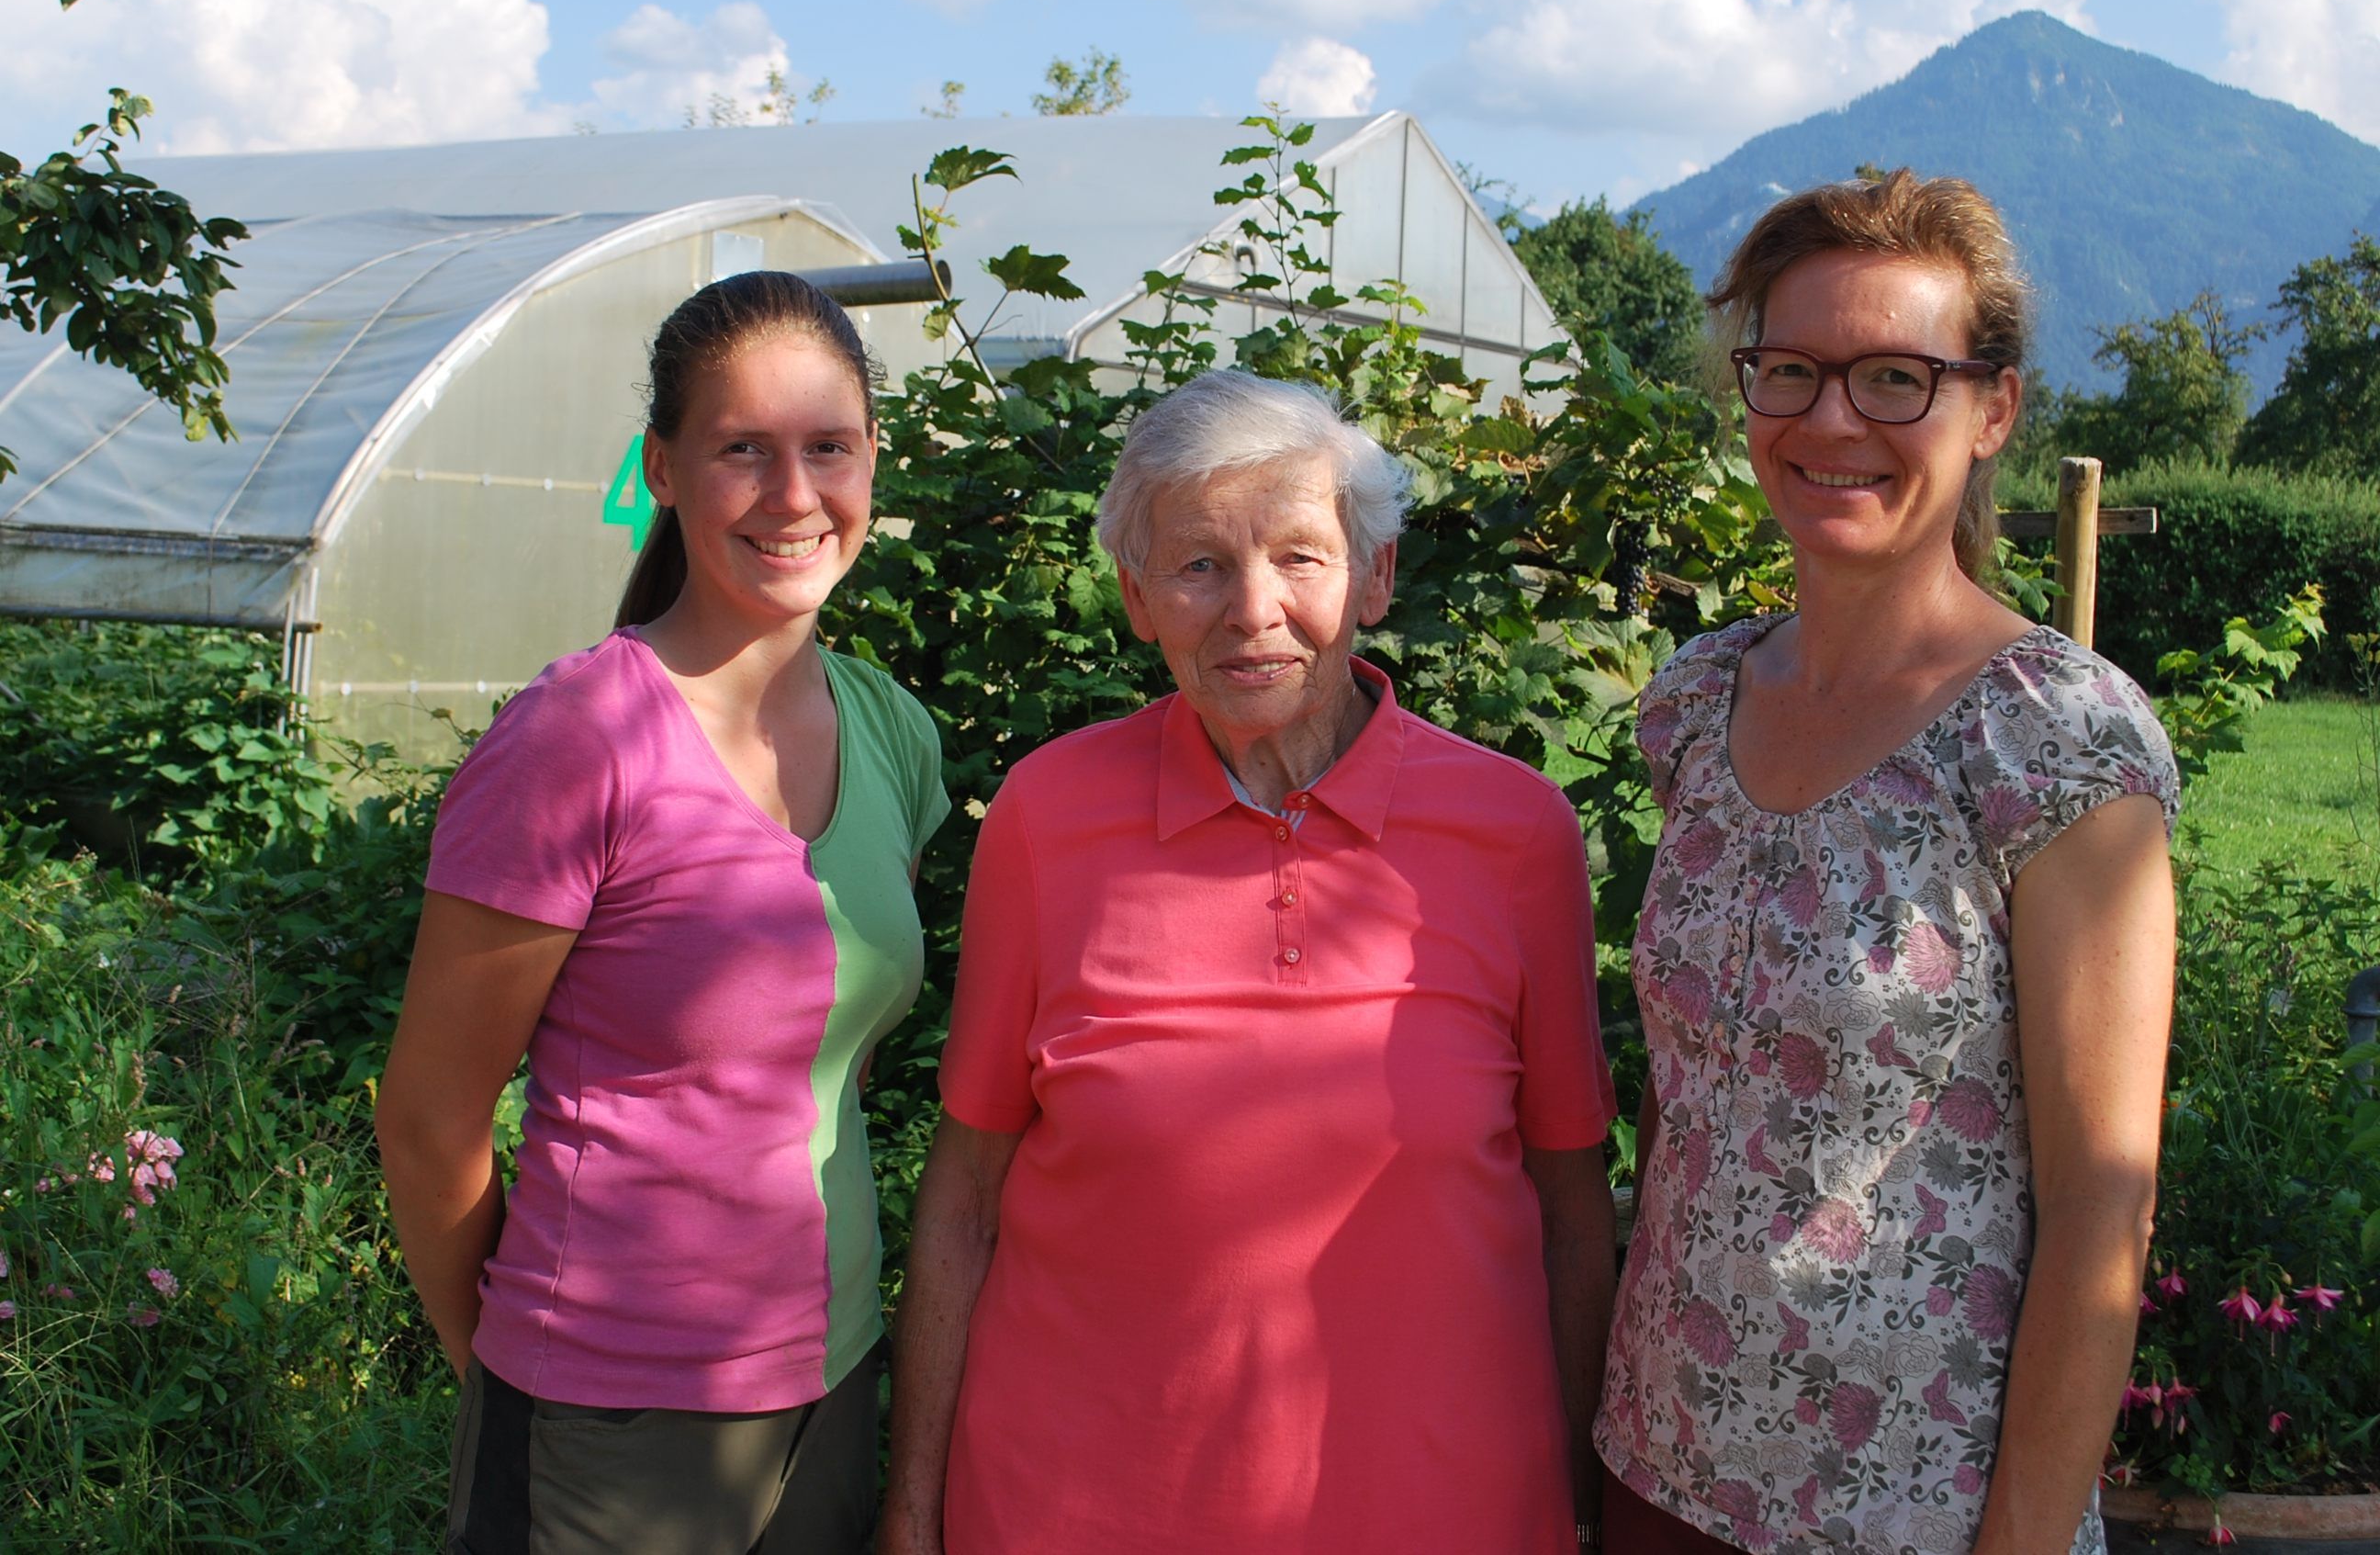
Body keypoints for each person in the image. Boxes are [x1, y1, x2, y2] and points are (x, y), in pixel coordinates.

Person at [877, 369, 1620, 1555]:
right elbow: (964, 1201)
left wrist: (1589, 1514)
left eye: (1299, 557)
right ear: (1136, 596)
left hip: (1447, 1518)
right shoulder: (1043, 818)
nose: (1253, 610)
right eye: (1200, 566)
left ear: (1374, 577)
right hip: (1072, 1515)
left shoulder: (1516, 835)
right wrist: (911, 1514)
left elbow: (1573, 1213)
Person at [1594, 171, 2180, 1555]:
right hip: (1657, 1461)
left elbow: (2108, 1198)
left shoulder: (2054, 740)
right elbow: (1686, 1109)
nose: (1832, 420)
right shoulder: (1699, 700)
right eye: (1792, 370)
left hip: (1908, 1508)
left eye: (1897, 378)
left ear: (1995, 411)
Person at [376, 271, 949, 1555]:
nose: (794, 495)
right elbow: (428, 1116)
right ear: (666, 469)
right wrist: (517, 1372)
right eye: (742, 448)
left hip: (831, 1374)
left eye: (829, 449)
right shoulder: (582, 738)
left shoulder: (893, 735)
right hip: (613, 1406)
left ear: (872, 466)